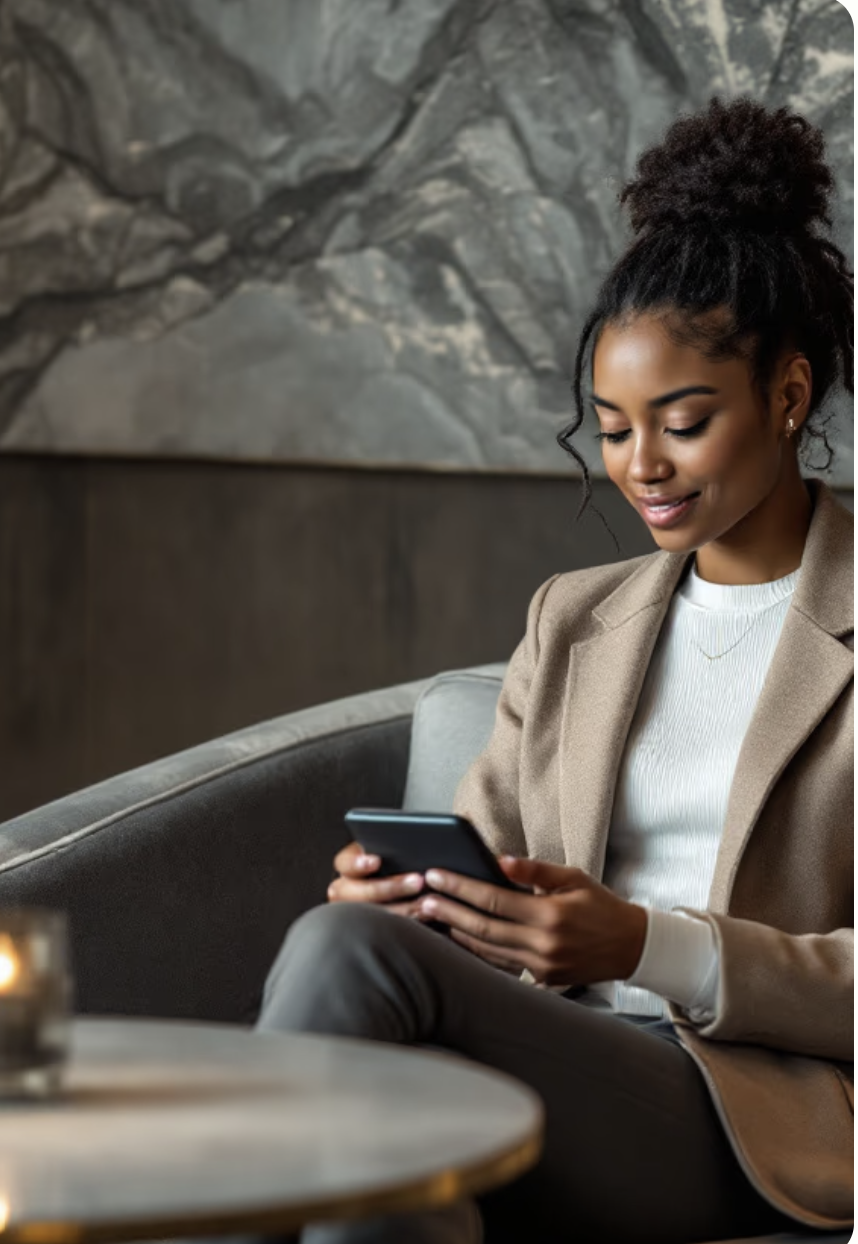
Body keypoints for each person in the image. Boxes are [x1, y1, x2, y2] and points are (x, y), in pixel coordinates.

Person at [256, 95, 854, 1243]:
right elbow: (487, 859)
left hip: (755, 1112)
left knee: (350, 982)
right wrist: (413, 895)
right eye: (614, 427)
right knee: (386, 1186)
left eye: (682, 420)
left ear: (787, 394)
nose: (643, 466)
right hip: (554, 1049)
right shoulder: (575, 621)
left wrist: (643, 942)